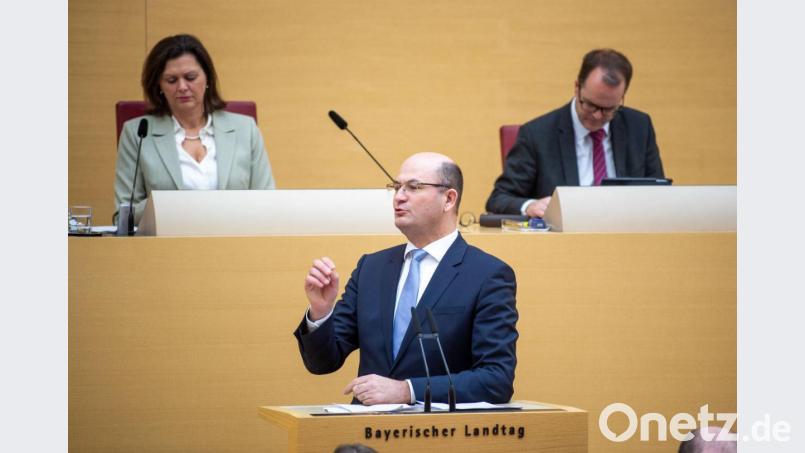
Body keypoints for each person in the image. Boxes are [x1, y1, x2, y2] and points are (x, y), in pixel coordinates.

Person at [294, 152, 518, 405]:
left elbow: (496, 380)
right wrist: (320, 312)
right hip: (369, 435)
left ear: (448, 199)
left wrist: (407, 390)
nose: (399, 197)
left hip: (440, 434)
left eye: (414, 187)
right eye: (396, 187)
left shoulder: (487, 274)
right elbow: (322, 363)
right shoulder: (372, 268)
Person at [113, 34, 275, 224]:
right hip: (165, 248)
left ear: (207, 79)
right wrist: (171, 204)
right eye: (171, 80)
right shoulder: (138, 133)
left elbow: (268, 205)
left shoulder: (245, 129)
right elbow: (122, 218)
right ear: (159, 86)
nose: (182, 87)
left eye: (190, 77)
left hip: (235, 243)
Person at [486, 48, 665, 217]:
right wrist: (530, 205)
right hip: (564, 242)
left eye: (608, 109)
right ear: (577, 87)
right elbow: (499, 198)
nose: (596, 115)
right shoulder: (537, 134)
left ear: (622, 98)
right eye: (590, 104)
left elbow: (660, 194)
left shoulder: (639, 127)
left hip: (628, 235)